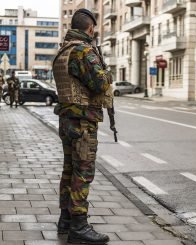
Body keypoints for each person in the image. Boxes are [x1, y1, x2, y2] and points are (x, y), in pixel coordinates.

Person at [52, 8, 113, 245]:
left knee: (70, 170)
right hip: (82, 123)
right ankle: (79, 226)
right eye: (94, 29)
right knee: (83, 172)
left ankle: (65, 219)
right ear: (90, 28)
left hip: (67, 120)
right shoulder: (83, 51)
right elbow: (99, 83)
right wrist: (107, 73)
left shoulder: (63, 51)